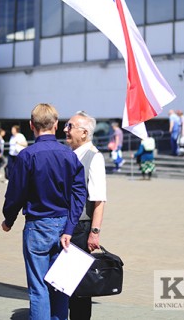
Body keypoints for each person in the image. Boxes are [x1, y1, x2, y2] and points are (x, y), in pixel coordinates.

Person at [1, 103, 86, 320]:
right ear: (56, 125)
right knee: (60, 286)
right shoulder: (69, 156)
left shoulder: (27, 156)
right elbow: (79, 195)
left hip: (37, 225)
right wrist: (69, 226)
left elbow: (15, 194)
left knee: (38, 287)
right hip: (63, 226)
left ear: (32, 125)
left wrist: (8, 219)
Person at [64, 111, 106, 320]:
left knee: (79, 287)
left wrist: (94, 233)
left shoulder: (94, 157)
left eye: (70, 126)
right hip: (65, 226)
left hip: (81, 228)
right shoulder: (70, 154)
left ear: (84, 132)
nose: (65, 130)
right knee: (64, 282)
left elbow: (99, 200)